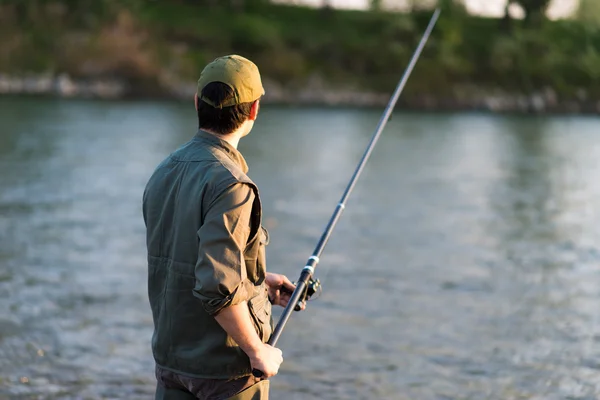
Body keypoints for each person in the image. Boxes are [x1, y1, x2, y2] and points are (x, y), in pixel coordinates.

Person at [142, 55, 300, 400]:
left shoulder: (164, 170)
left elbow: (187, 262)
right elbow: (217, 286)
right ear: (254, 111)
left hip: (171, 364)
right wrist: (258, 350)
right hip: (224, 371)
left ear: (197, 102)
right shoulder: (233, 186)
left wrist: (259, 283)